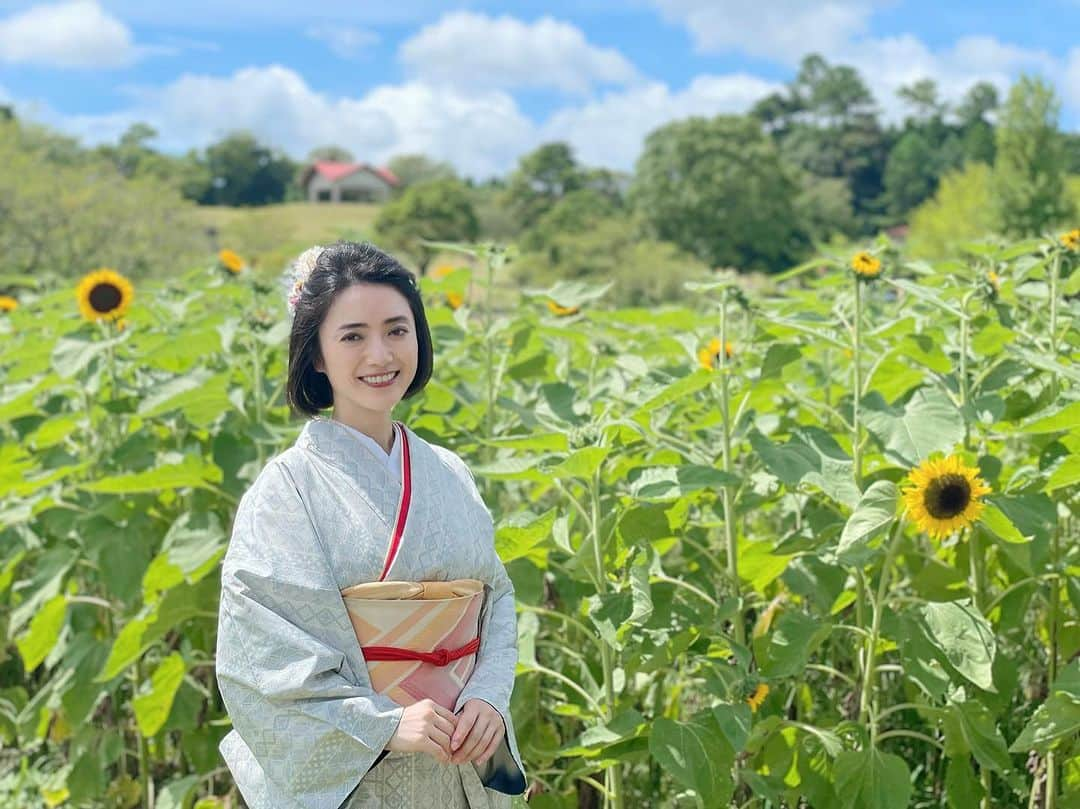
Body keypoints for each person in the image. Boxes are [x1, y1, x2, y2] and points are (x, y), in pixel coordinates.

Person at [215, 241, 528, 808]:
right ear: (316, 354)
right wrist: (384, 724)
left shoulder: (449, 471)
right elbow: (261, 660)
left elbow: (496, 597)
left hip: (458, 753)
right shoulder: (285, 493)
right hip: (364, 770)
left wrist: (487, 696)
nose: (380, 354)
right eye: (353, 336)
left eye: (397, 330)